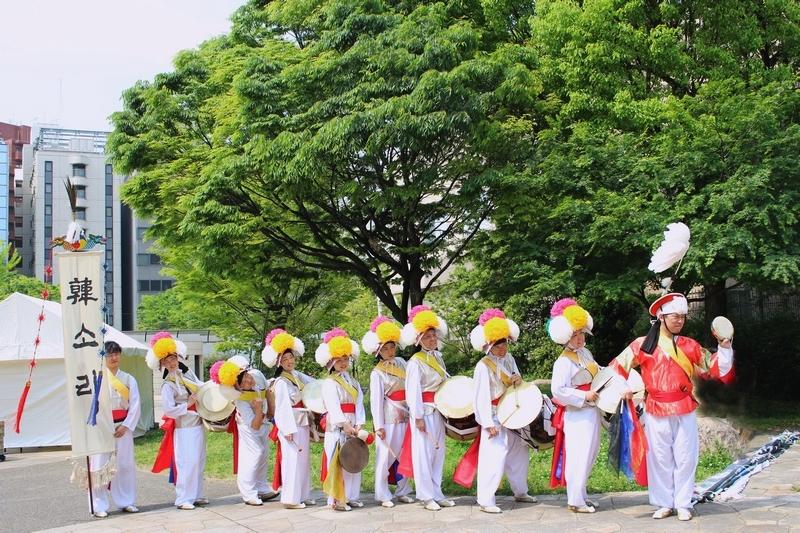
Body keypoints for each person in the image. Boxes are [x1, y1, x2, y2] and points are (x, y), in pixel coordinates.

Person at [610, 293, 734, 521]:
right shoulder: (642, 345)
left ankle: (683, 503)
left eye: (683, 317)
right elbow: (616, 367)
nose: (680, 321)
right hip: (656, 407)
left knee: (686, 457)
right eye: (675, 316)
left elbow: (714, 368)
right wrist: (625, 387)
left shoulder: (689, 345)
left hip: (684, 407)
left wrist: (724, 348)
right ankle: (664, 502)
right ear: (661, 317)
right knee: (659, 458)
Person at [463, 309, 536, 514]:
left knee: (518, 453)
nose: (503, 347)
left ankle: (520, 491)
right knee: (494, 457)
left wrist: (518, 380)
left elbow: (517, 379)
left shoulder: (509, 359)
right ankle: (486, 499)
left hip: (512, 411)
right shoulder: (482, 367)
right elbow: (480, 398)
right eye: (498, 344)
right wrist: (487, 423)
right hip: (494, 415)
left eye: (505, 342)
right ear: (489, 345)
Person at [547, 299, 602, 513]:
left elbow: (597, 372)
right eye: (575, 335)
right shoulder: (563, 362)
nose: (579, 339)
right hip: (577, 413)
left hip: (591, 409)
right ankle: (575, 500)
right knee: (578, 454)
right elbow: (558, 390)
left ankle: (582, 494)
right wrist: (583, 395)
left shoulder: (585, 354)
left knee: (590, 452)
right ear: (565, 337)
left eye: (581, 334)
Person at [398, 305, 455, 511]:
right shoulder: (415, 362)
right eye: (427, 337)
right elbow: (412, 392)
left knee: (438, 453)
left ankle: (437, 492)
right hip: (424, 412)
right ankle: (425, 495)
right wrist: (418, 416)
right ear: (418, 339)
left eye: (433, 336)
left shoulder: (438, 357)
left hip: (439, 410)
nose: (432, 339)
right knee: (423, 454)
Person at [148, 332, 207, 510]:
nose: (172, 363)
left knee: (198, 459)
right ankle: (183, 498)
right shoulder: (167, 384)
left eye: (173, 358)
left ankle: (196, 494)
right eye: (167, 361)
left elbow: (201, 387)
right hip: (184, 427)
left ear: (178, 357)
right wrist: (187, 405)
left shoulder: (187, 375)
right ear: (162, 364)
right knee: (187, 461)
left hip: (198, 423)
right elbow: (169, 410)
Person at [363, 316, 415, 508]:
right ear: (378, 351)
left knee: (404, 453)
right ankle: (382, 492)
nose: (389, 351)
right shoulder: (376, 373)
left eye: (392, 346)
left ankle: (403, 490)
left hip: (406, 414)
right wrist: (379, 426)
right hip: (390, 416)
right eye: (385, 348)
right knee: (386, 455)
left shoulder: (402, 362)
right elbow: (376, 401)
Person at [262, 328, 316, 509]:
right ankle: (291, 498)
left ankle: (303, 494)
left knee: (304, 459)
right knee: (292, 460)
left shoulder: (297, 376)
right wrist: (287, 430)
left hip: (303, 421)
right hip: (291, 424)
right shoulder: (281, 382)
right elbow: (282, 409)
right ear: (279, 363)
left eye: (291, 357)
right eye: (284, 359)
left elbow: (314, 385)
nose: (289, 361)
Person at [315, 328, 366, 511]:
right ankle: (337, 499)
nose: (343, 363)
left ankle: (351, 496)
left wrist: (359, 423)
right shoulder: (330, 383)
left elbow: (359, 403)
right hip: (338, 428)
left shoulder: (353, 381)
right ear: (331, 362)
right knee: (337, 462)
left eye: (346, 359)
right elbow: (333, 407)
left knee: (353, 460)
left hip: (353, 424)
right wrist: (344, 425)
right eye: (339, 360)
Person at [89, 341, 141, 517]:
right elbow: (90, 406)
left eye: (116, 354)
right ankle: (99, 505)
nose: (114, 357)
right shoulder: (97, 378)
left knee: (124, 465)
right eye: (110, 354)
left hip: (123, 427)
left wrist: (126, 426)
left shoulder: (128, 379)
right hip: (102, 429)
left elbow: (135, 405)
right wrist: (102, 425)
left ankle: (126, 501)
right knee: (100, 465)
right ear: (103, 356)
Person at [217, 355, 276, 506]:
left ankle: (261, 487)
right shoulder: (241, 400)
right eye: (242, 381)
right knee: (253, 454)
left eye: (246, 376)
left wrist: (269, 408)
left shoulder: (257, 376)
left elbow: (267, 393)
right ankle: (248, 493)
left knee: (264, 453)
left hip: (263, 423)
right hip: (250, 427)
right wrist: (257, 410)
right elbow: (254, 425)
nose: (247, 381)